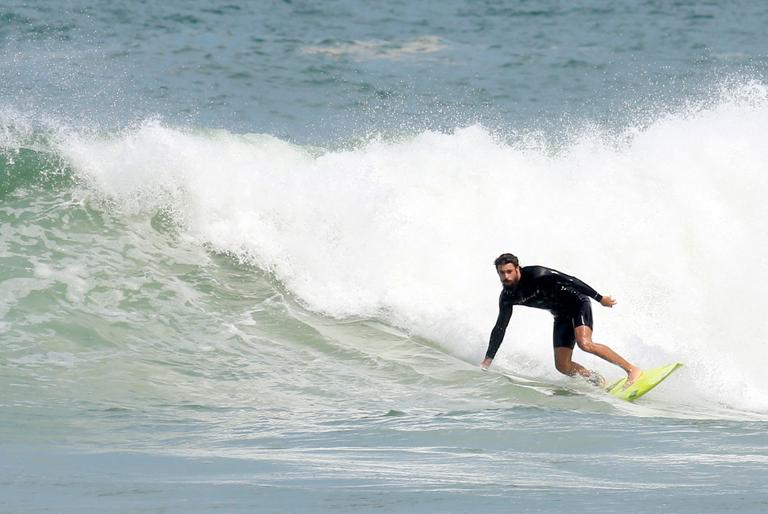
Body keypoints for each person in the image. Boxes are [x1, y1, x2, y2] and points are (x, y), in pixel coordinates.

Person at [481, 253, 642, 387]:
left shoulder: (538, 275)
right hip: (561, 315)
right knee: (562, 366)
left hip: (577, 303)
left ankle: (632, 370)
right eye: (501, 273)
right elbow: (500, 327)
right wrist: (488, 359)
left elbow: (570, 280)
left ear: (517, 269)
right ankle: (597, 381)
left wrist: (600, 298)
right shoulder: (507, 298)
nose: (505, 277)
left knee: (585, 343)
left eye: (509, 271)